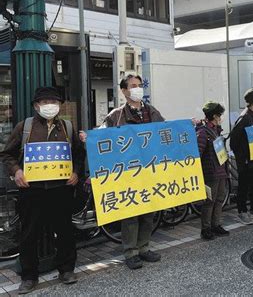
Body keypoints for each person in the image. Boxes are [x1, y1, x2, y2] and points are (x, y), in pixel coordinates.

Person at [0, 87, 85, 294]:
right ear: (36, 106)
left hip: (61, 189)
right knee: (29, 233)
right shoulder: (25, 127)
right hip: (32, 190)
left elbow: (78, 154)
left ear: (59, 105)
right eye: (45, 102)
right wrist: (17, 171)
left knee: (65, 230)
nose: (50, 106)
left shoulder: (67, 126)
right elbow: (7, 154)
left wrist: (75, 172)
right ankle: (29, 276)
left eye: (54, 102)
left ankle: (66, 269)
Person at [102, 74, 164, 269]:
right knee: (130, 213)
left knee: (148, 212)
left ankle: (144, 248)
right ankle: (130, 252)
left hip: (150, 169)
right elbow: (102, 136)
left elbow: (167, 132)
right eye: (133, 86)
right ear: (124, 90)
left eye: (139, 85)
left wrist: (188, 126)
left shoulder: (152, 112)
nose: (137, 89)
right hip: (128, 173)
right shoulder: (116, 116)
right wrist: (90, 137)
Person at [229, 88, 253, 224]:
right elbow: (234, 139)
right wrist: (241, 156)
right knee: (244, 186)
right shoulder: (245, 117)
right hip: (246, 159)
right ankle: (242, 211)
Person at [196, 101, 229, 240]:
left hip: (221, 170)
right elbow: (198, 153)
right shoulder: (203, 132)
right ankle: (206, 228)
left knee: (219, 199)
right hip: (210, 172)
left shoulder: (216, 130)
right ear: (214, 116)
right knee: (209, 201)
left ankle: (216, 225)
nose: (221, 117)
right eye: (219, 115)